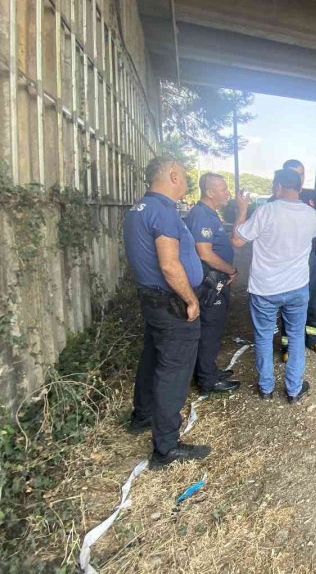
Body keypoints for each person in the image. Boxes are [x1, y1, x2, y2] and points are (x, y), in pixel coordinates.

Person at [123, 156, 211, 468]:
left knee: (152, 358)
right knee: (173, 371)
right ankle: (166, 447)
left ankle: (142, 415)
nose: (186, 182)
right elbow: (170, 265)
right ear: (173, 175)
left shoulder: (139, 209)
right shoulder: (163, 211)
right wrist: (191, 299)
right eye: (184, 176)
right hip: (172, 303)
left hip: (153, 300)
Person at [232, 169, 316, 402]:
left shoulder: (265, 211)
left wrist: (241, 209)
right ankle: (294, 390)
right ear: (299, 187)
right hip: (297, 287)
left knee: (263, 336)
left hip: (265, 289)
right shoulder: (311, 215)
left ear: (277, 186)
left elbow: (237, 240)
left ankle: (266, 388)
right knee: (296, 336)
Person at [184, 173, 240, 395]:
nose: (227, 193)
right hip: (210, 283)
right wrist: (230, 269)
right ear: (209, 192)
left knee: (212, 329)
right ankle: (207, 380)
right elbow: (204, 253)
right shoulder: (202, 215)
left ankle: (208, 370)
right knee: (210, 329)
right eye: (223, 189)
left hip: (216, 281)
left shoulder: (208, 213)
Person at [281, 159, 316, 358]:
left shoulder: (311, 196)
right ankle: (289, 344)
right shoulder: (277, 197)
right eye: (294, 174)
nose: (298, 178)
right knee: (288, 299)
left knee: (315, 296)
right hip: (287, 257)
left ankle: (315, 338)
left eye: (301, 174)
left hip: (311, 255)